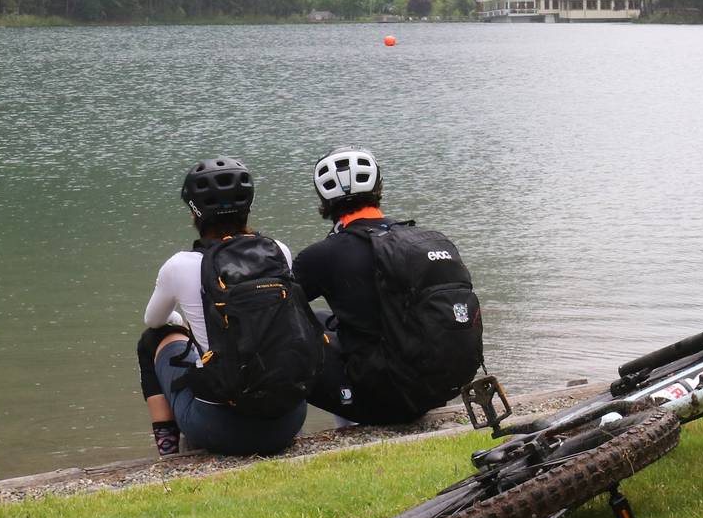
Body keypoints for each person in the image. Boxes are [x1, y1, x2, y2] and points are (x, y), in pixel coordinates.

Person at [135, 156, 309, 456]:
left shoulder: (179, 266)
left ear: (194, 212)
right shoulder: (278, 250)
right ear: (248, 205)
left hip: (217, 427)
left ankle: (168, 453)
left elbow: (153, 320)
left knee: (152, 340)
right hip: (289, 420)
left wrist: (184, 322)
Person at [296, 147, 483, 426]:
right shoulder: (422, 239)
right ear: (378, 188)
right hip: (435, 390)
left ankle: (287, 427)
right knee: (325, 319)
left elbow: (277, 309)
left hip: (384, 400)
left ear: (324, 199)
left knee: (289, 335)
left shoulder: (322, 255)